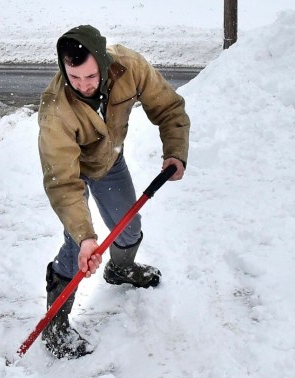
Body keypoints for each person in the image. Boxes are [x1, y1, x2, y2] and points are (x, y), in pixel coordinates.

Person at [37, 24, 190, 359]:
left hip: (108, 161)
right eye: (74, 78)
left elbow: (169, 107)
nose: (83, 85)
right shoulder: (55, 110)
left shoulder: (129, 67)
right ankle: (55, 323)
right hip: (71, 172)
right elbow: (62, 183)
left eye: (91, 76)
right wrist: (86, 237)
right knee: (77, 246)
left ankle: (120, 269)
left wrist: (175, 152)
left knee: (129, 228)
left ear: (103, 63)